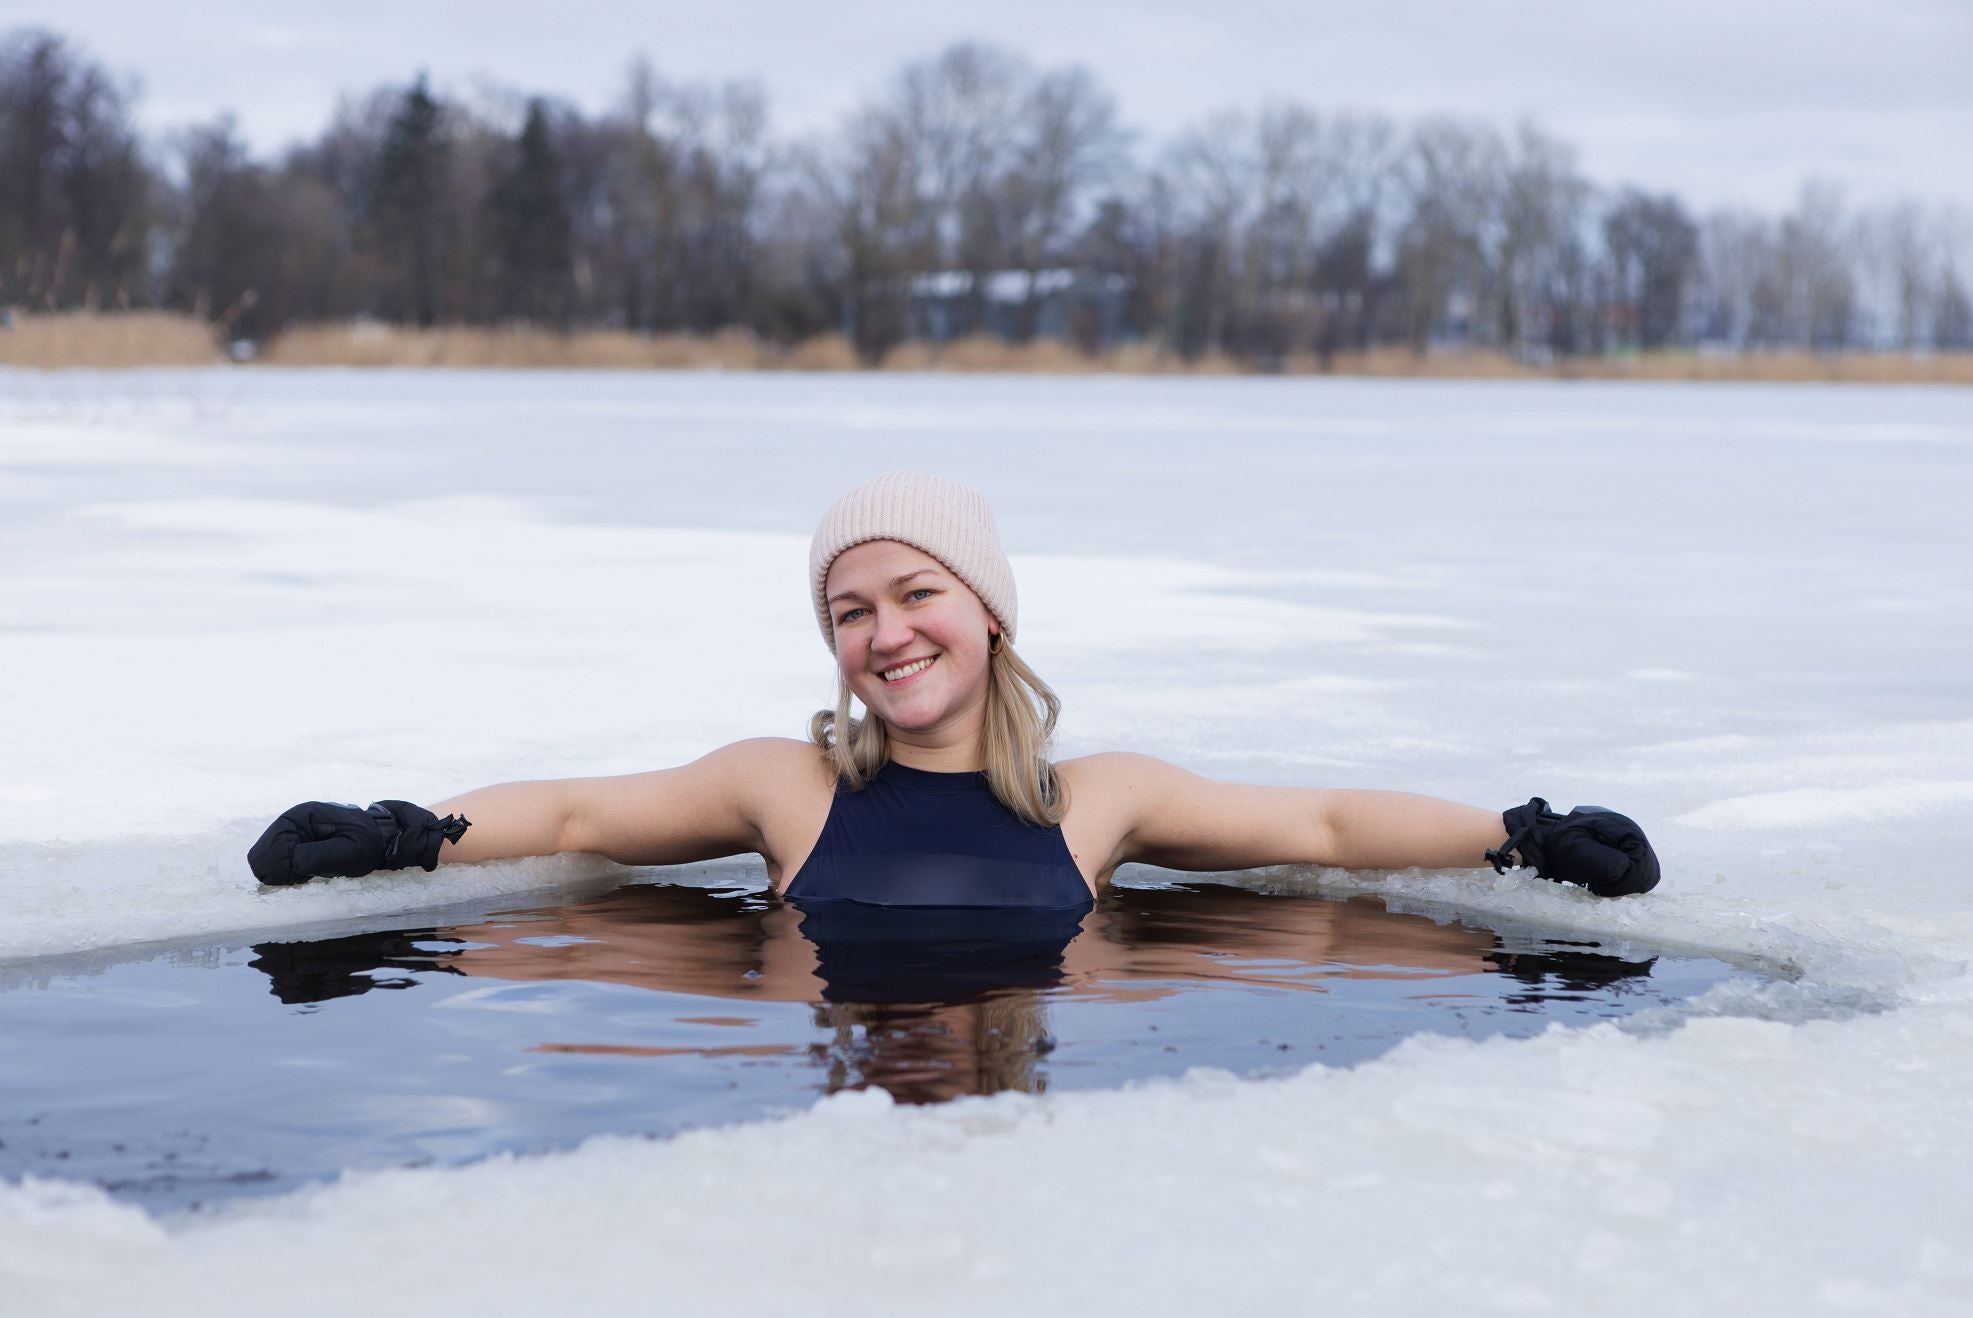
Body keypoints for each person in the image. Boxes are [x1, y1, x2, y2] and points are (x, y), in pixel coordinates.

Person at [248, 471, 1659, 906]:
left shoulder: (1098, 799)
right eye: (848, 610)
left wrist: (1517, 831)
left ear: (986, 611)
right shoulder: (785, 785)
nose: (887, 632)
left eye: (917, 592)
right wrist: (401, 828)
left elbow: (1332, 830)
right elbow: (570, 810)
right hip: (833, 1125)